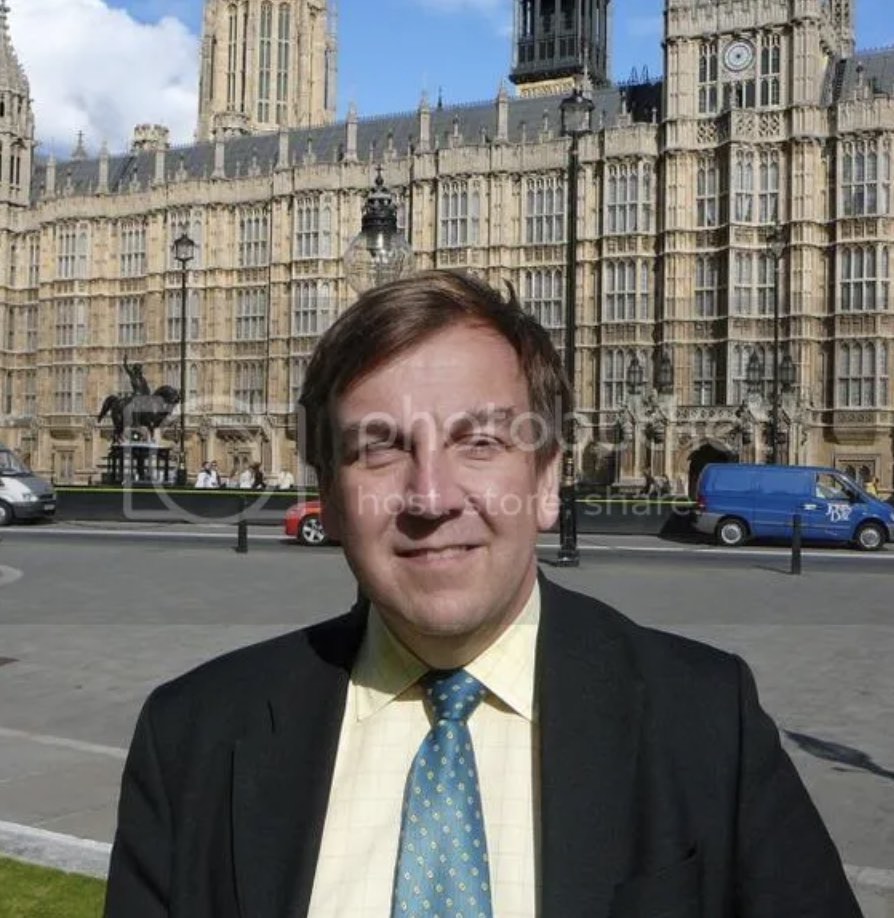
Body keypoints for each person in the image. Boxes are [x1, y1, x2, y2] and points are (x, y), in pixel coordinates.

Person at [105, 271, 860, 918]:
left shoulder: (706, 722)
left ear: (548, 480)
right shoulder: (191, 738)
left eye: (480, 442)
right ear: (328, 498)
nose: (431, 496)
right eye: (379, 449)